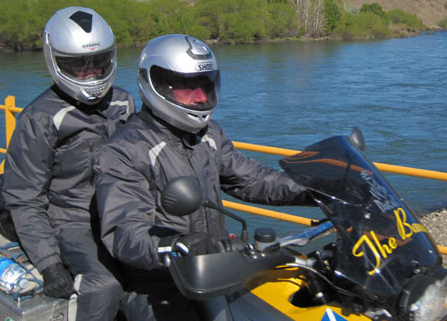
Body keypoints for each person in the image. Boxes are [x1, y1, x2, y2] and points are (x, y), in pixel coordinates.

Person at [94, 34, 312, 320]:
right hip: (161, 281)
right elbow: (125, 231)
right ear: (156, 84)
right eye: (186, 87)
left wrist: (318, 188)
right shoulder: (125, 150)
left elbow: (252, 179)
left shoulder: (208, 135)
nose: (199, 97)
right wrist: (174, 245)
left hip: (216, 267)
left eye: (205, 85)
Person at [2, 6, 135, 320]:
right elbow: (24, 197)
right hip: (70, 220)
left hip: (120, 213)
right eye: (79, 67)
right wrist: (49, 264)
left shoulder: (122, 102)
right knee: (103, 286)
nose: (91, 74)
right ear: (56, 61)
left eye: (98, 63)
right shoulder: (41, 118)